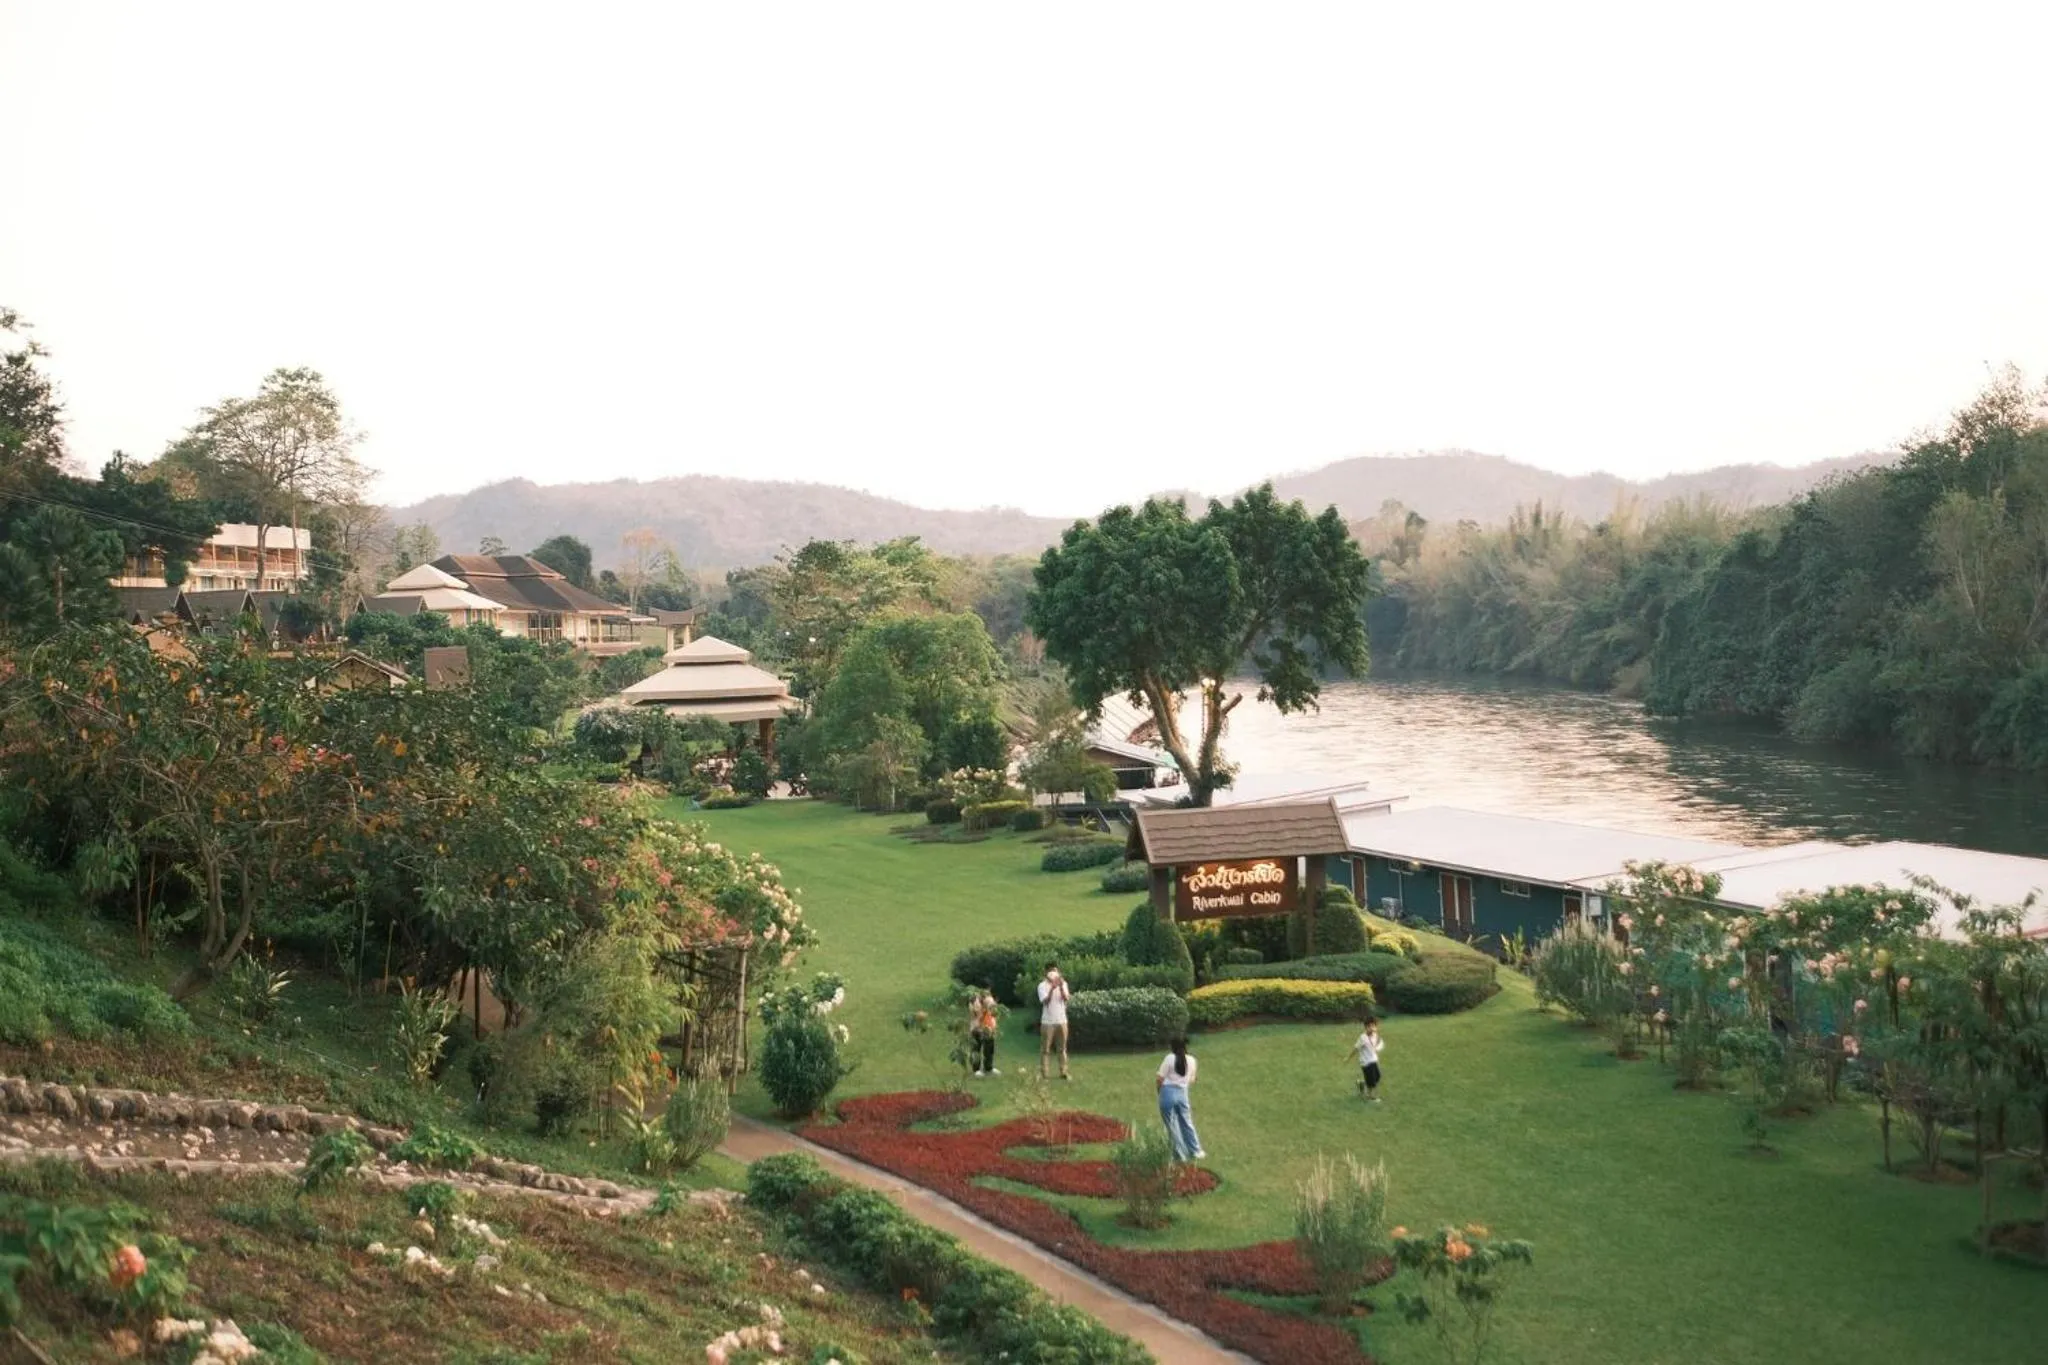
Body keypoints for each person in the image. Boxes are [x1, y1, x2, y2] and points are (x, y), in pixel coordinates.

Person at [1156, 1036, 1205, 1160]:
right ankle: (1196, 1150)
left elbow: (1160, 1078)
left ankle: (1180, 1154)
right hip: (1183, 1093)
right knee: (1187, 1122)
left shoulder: (1169, 1058)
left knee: (1172, 1125)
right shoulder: (1192, 1060)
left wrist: (1160, 1092)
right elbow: (1192, 1079)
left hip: (1167, 1092)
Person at [1037, 961, 1071, 1079]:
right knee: (1046, 1049)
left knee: (1062, 1048)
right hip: (1048, 1022)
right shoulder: (1042, 986)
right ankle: (1044, 1073)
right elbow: (1045, 1001)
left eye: (1056, 971)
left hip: (1061, 1020)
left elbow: (1066, 998)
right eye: (1052, 971)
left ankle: (1063, 1072)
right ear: (1046, 973)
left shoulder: (1064, 983)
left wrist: (1060, 987)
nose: (1054, 974)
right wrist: (1052, 988)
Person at [1345, 1016, 1385, 1102]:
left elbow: (1378, 1043)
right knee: (1372, 1080)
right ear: (1366, 1027)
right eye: (1369, 1026)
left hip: (1373, 1060)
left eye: (1373, 1026)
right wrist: (1348, 1058)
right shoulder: (1362, 1038)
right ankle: (1370, 1097)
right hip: (1366, 1062)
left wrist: (1378, 1047)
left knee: (1377, 1076)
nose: (1372, 1028)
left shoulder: (1375, 1035)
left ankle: (1361, 1084)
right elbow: (1356, 1048)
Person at [968, 990, 1000, 1076]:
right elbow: (977, 1015)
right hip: (977, 1028)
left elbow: (994, 1012)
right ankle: (976, 1069)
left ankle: (988, 1067)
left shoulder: (989, 999)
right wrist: (984, 1009)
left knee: (989, 1049)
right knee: (976, 1048)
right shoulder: (974, 1001)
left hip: (988, 1028)